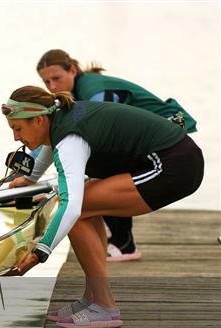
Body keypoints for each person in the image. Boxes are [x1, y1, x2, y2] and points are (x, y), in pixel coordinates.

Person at [1, 86, 203, 328]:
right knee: (86, 206)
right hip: (175, 156)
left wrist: (40, 251)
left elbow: (71, 206)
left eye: (18, 128)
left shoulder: (69, 140)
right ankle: (93, 298)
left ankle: (105, 307)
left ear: (40, 119)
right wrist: (30, 177)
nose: (15, 137)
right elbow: (48, 142)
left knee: (79, 207)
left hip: (174, 166)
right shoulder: (61, 117)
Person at [14, 49, 197, 262]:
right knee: (97, 176)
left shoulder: (94, 91)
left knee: (104, 173)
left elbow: (110, 132)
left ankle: (123, 243)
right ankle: (117, 243)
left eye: (56, 79)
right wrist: (28, 175)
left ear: (73, 70)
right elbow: (53, 136)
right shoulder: (73, 97)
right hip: (153, 139)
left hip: (171, 125)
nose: (52, 87)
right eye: (47, 82)